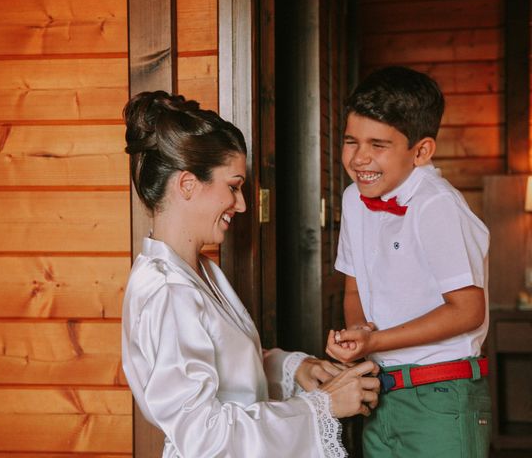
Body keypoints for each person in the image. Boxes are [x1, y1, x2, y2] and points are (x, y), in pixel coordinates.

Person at [121, 90, 380, 458]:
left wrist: (295, 369)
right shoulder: (168, 291)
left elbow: (223, 365)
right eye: (233, 186)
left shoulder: (200, 271)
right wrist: (321, 406)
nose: (241, 204)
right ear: (188, 184)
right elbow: (204, 437)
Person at [326, 66, 491, 457]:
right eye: (352, 141)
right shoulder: (353, 199)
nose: (360, 158)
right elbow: (354, 285)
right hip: (382, 390)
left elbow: (468, 310)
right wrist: (357, 333)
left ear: (421, 151)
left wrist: (375, 340)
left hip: (442, 395)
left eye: (378, 145)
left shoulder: (437, 204)